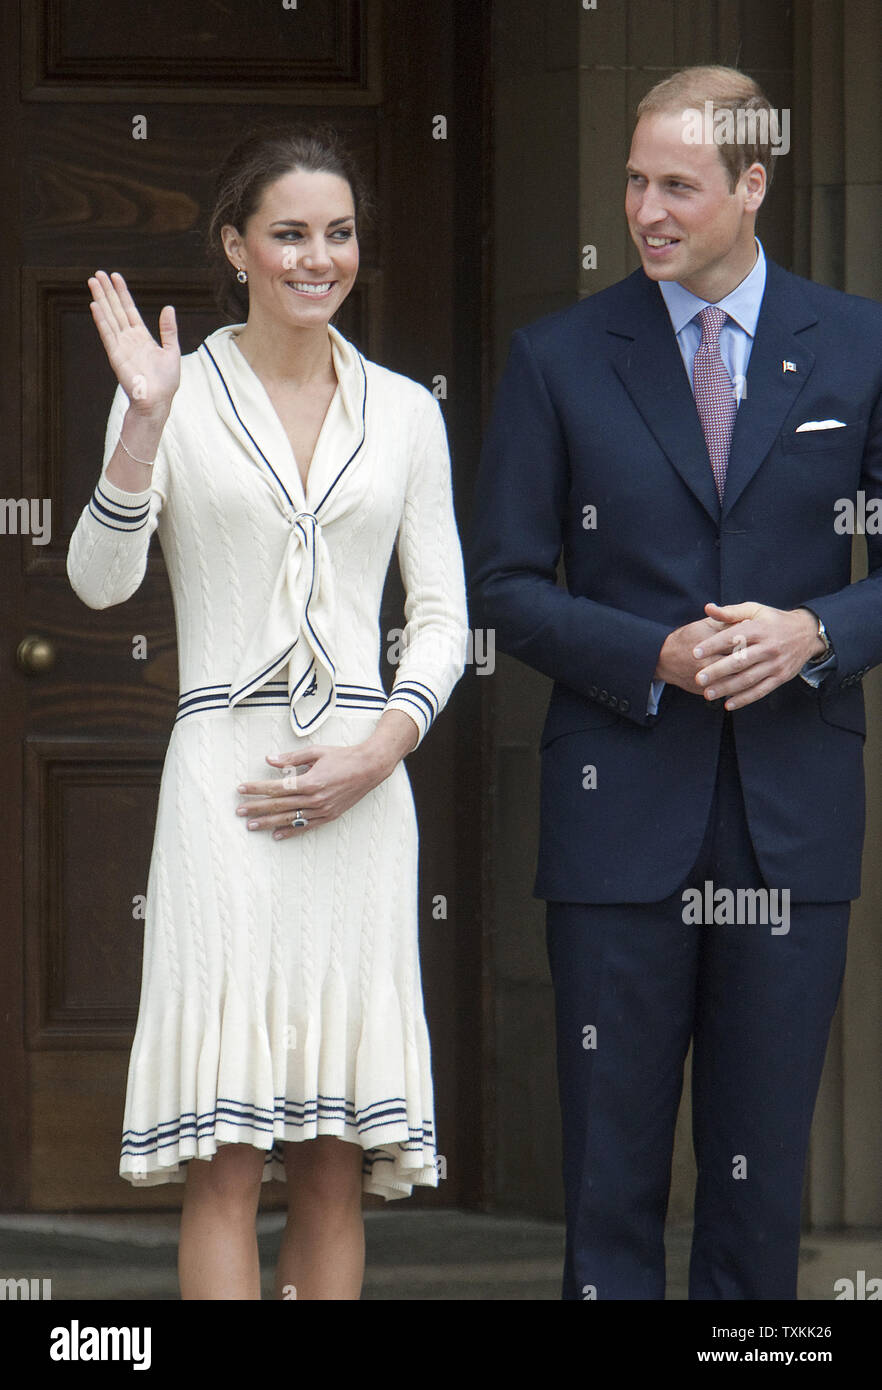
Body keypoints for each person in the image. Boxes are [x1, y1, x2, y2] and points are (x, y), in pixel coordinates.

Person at [467, 65, 882, 1300]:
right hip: (616, 816)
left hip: (789, 823)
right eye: (636, 181)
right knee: (609, 1183)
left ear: (753, 186)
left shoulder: (860, 342)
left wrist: (815, 628)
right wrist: (649, 654)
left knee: (762, 1186)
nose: (648, 209)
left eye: (679, 187)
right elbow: (503, 581)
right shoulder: (557, 357)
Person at [66, 126, 468, 1300]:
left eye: (338, 234)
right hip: (224, 791)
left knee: (337, 1159)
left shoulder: (404, 413)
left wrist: (381, 747)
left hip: (362, 791)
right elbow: (99, 579)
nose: (317, 257)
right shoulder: (173, 396)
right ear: (236, 245)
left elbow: (442, 614)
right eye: (289, 233)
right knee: (229, 1155)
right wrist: (142, 423)